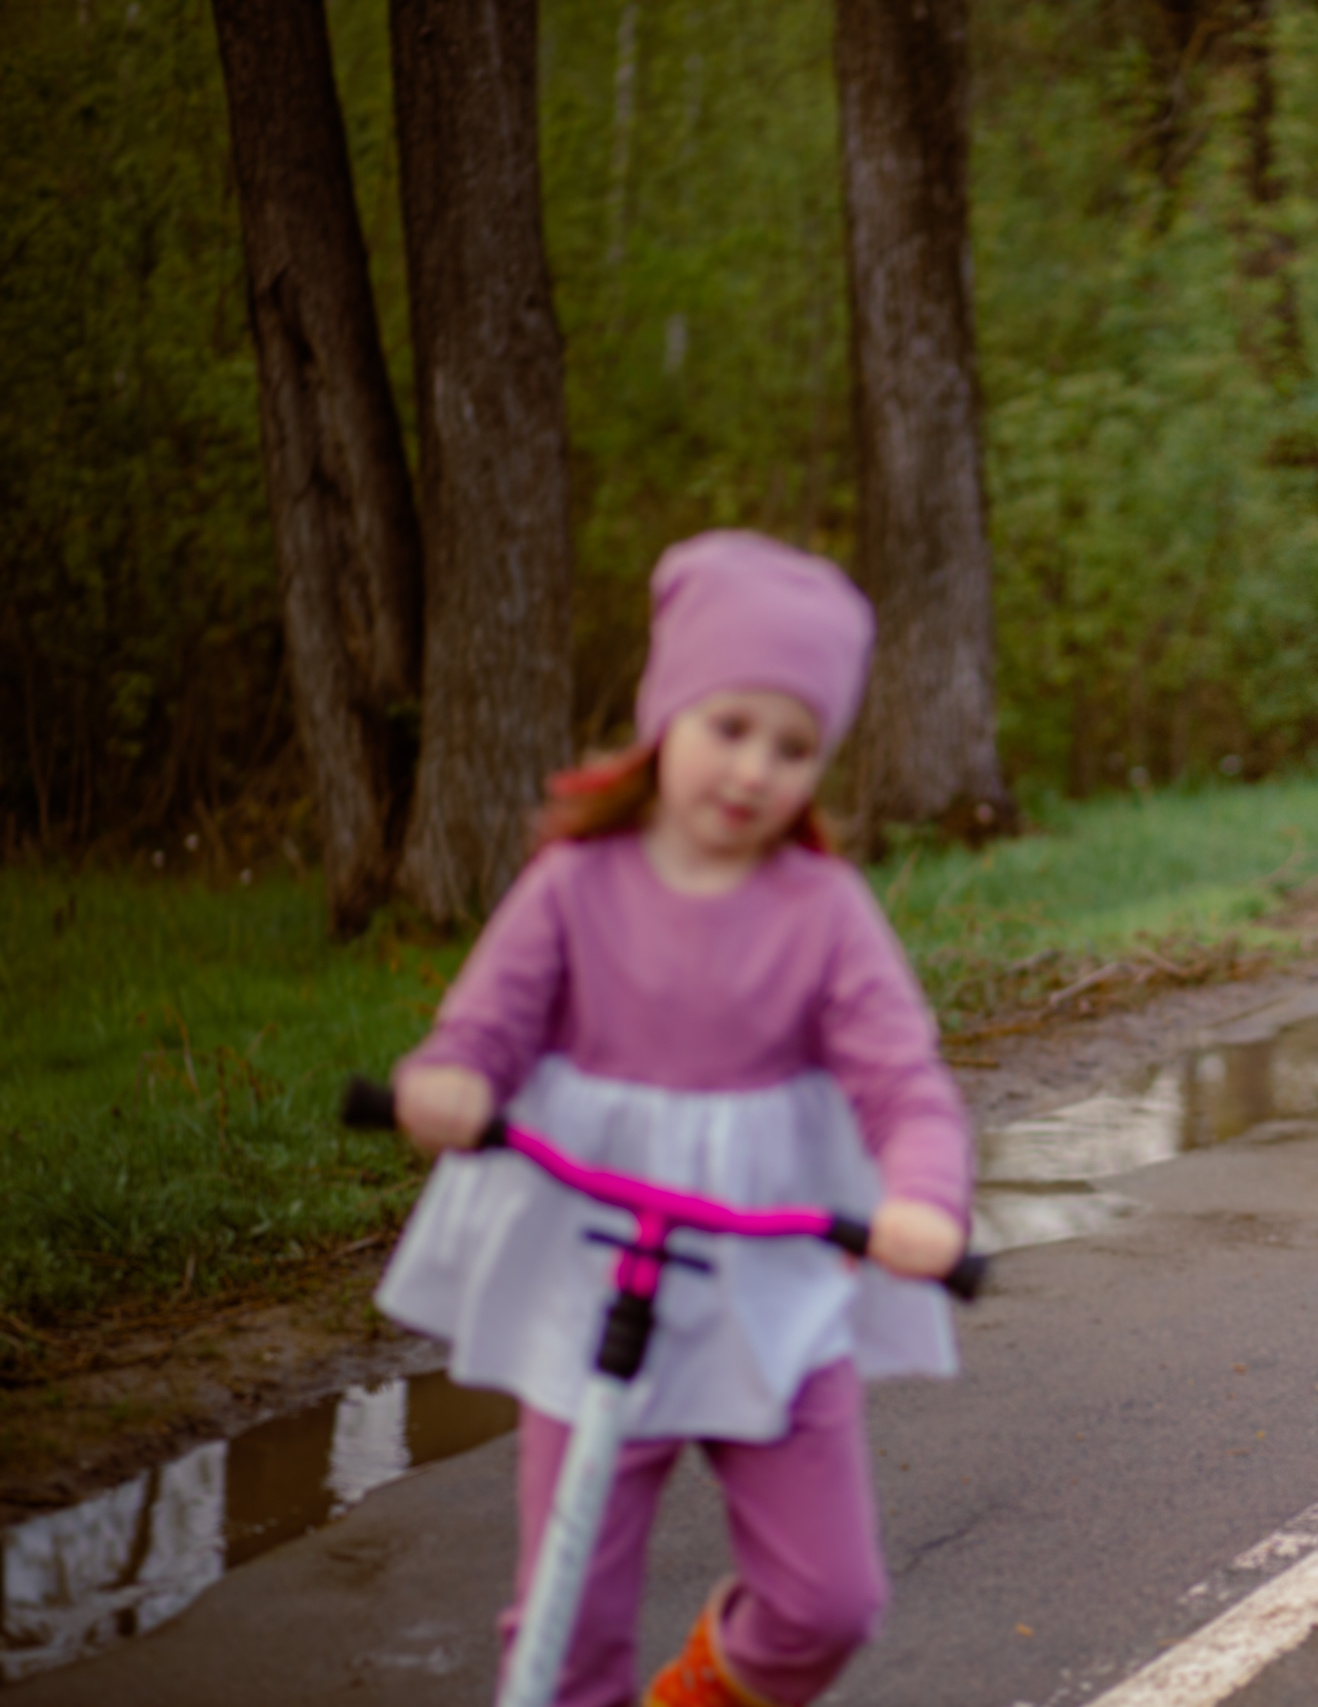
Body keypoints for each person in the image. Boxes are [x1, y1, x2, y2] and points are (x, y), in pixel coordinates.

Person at [377, 531, 973, 1707]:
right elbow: (485, 1027)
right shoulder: (577, 883)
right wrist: (451, 1081)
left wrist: (923, 1198)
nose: (754, 769)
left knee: (827, 1602)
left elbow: (904, 1083)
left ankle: (700, 1690)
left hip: (769, 1281)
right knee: (565, 1623)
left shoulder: (822, 910)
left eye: (793, 747)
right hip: (590, 1271)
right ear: (666, 718)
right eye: (729, 726)